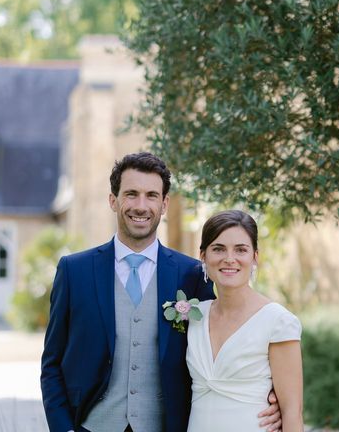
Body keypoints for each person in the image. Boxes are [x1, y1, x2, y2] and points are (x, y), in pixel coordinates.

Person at [40, 152, 282, 432]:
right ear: (113, 200)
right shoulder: (74, 271)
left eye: (151, 195)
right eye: (131, 194)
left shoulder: (191, 274)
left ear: (164, 204)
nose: (141, 206)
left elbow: (220, 349)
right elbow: (52, 362)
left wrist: (268, 396)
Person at [186, 210, 304, 432]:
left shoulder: (277, 321)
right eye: (218, 249)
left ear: (255, 257)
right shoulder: (194, 316)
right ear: (203, 256)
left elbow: (292, 411)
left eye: (240, 249)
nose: (229, 258)